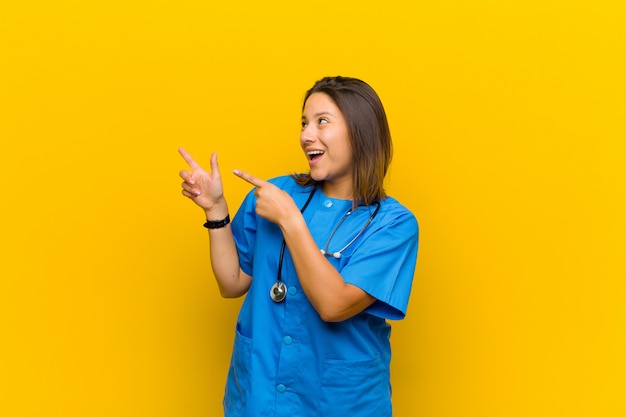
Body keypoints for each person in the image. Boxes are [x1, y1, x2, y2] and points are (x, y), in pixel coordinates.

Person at [178, 76, 419, 417]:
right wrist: (216, 210)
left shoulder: (393, 225)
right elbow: (232, 282)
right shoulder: (274, 194)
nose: (307, 135)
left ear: (361, 130)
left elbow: (334, 305)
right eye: (304, 123)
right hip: (260, 395)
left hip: (341, 402)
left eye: (322, 121)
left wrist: (291, 220)